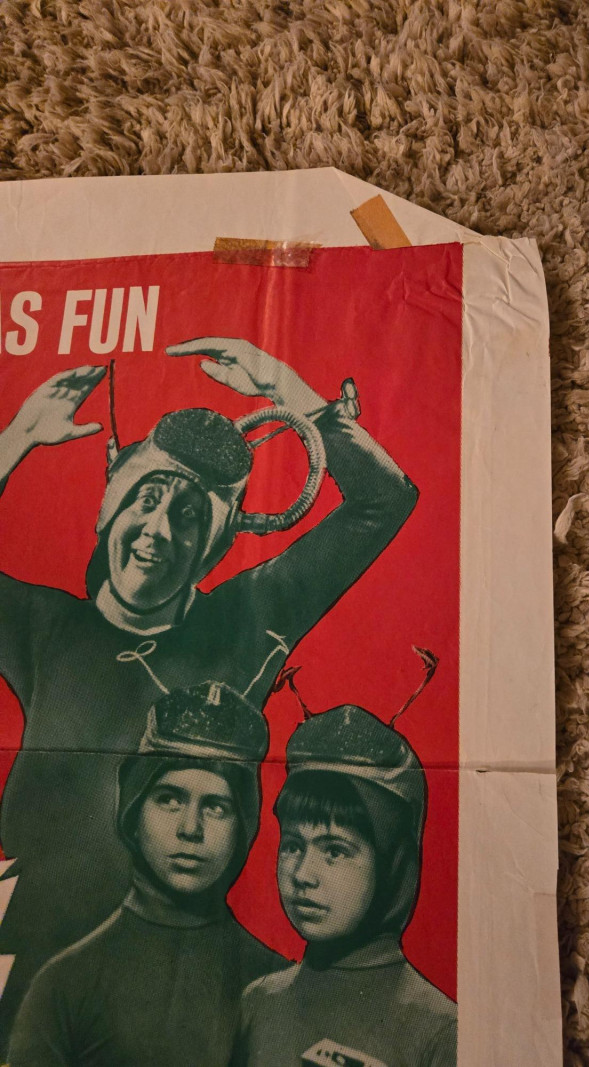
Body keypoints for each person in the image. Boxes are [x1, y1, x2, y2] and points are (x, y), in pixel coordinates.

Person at [0, 337, 418, 1041]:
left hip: (179, 996)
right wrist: (15, 438)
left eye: (190, 515)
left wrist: (291, 390)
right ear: (109, 509)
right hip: (26, 980)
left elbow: (385, 500)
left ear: (215, 545)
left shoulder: (247, 620)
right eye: (147, 499)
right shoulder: (45, 629)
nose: (158, 531)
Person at [8, 680, 289, 1067]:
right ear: (134, 810)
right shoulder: (64, 986)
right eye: (169, 799)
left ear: (243, 826)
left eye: (216, 807)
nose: (190, 829)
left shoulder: (278, 985)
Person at [233, 703, 457, 1067]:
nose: (303, 874)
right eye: (293, 846)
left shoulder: (441, 1032)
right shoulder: (257, 1001)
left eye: (334, 851)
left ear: (392, 865)